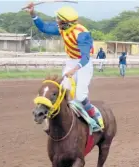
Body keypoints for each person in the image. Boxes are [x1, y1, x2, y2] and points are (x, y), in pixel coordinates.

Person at [25, 2, 104, 130]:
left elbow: (85, 57)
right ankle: (53, 117)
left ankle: (95, 120)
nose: (56, 21)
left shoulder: (82, 34)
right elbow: (44, 27)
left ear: (66, 22)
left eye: (58, 19)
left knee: (81, 96)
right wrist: (33, 13)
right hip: (71, 61)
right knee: (61, 90)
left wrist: (74, 70)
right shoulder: (62, 28)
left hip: (83, 64)